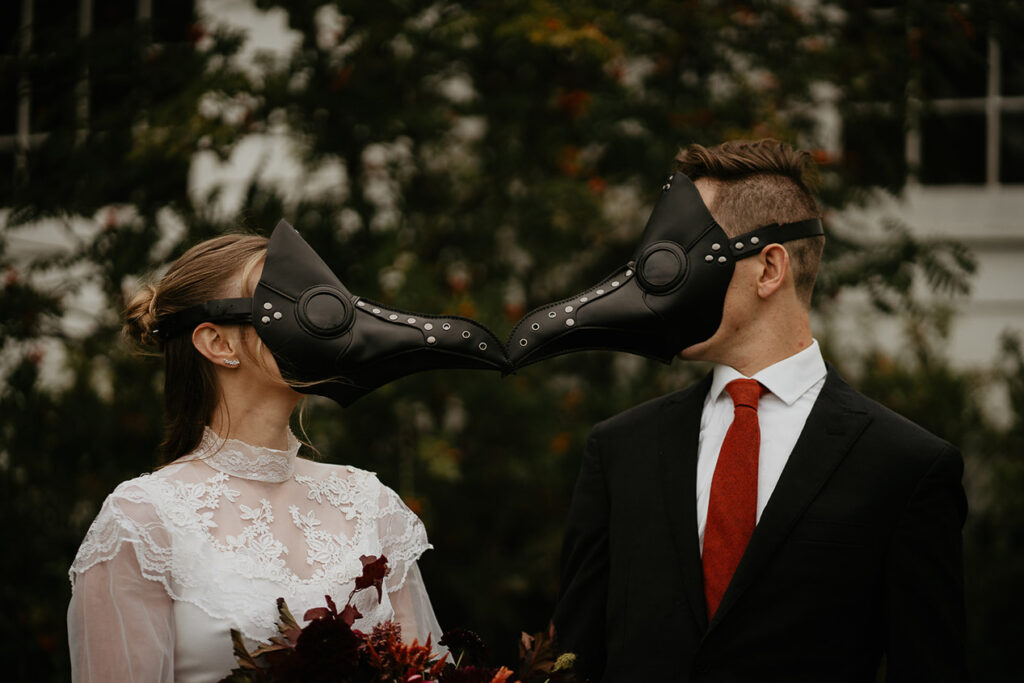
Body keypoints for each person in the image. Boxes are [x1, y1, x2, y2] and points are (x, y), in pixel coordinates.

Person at [551, 140, 968, 682]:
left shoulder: (906, 467)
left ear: (770, 268)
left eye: (685, 257)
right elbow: (569, 663)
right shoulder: (619, 451)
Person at [67, 234, 444, 682]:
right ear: (218, 343)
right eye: (279, 300)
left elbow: (426, 670)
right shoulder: (142, 521)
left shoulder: (370, 503)